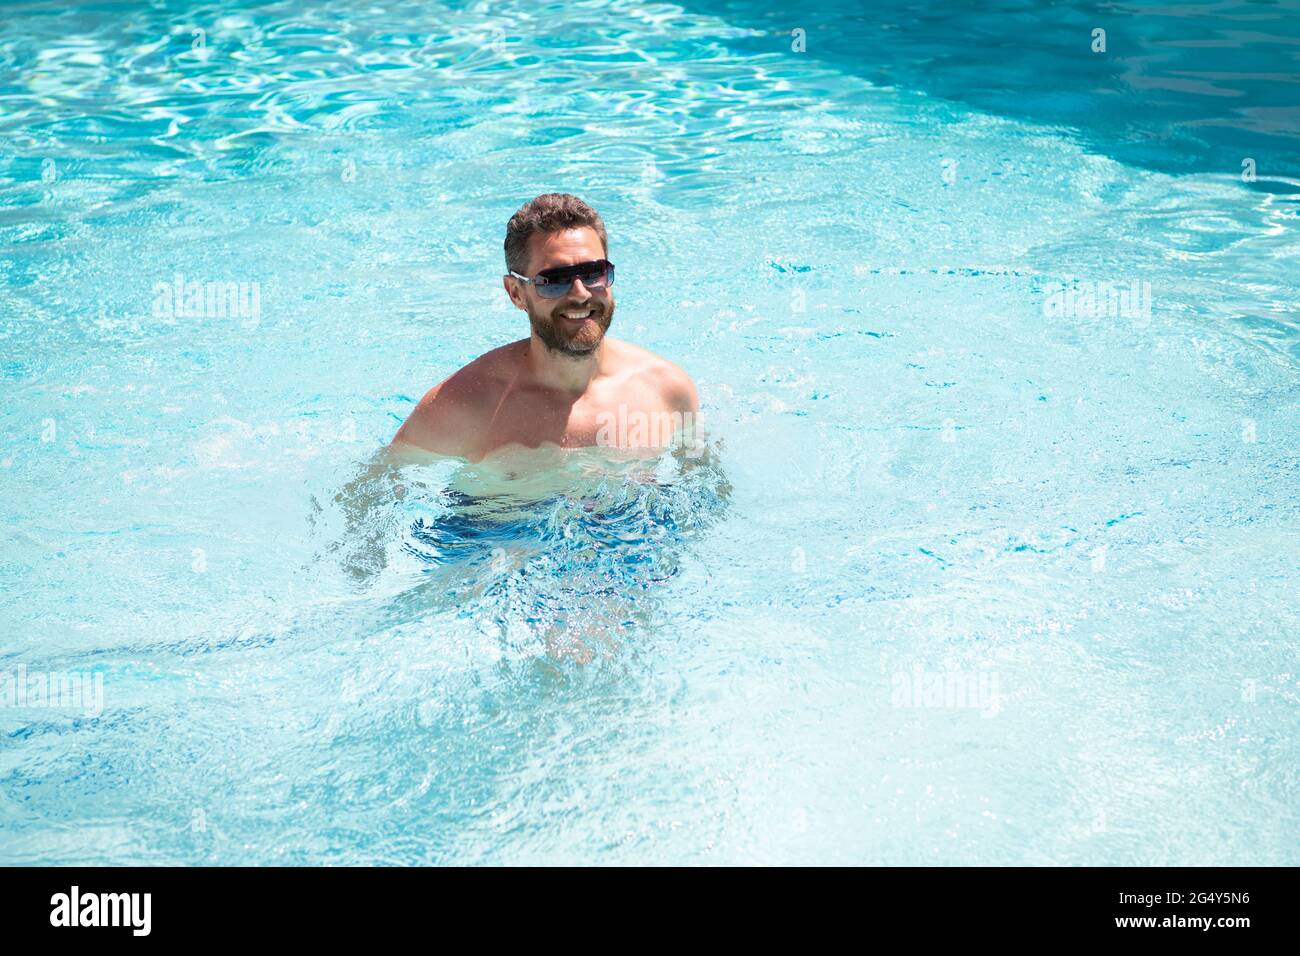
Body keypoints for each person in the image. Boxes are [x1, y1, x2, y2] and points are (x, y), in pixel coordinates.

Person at [388, 192, 699, 463]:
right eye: (555, 281)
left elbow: (702, 486)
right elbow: (377, 490)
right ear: (516, 293)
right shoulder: (468, 407)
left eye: (594, 272)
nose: (580, 293)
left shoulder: (666, 390)